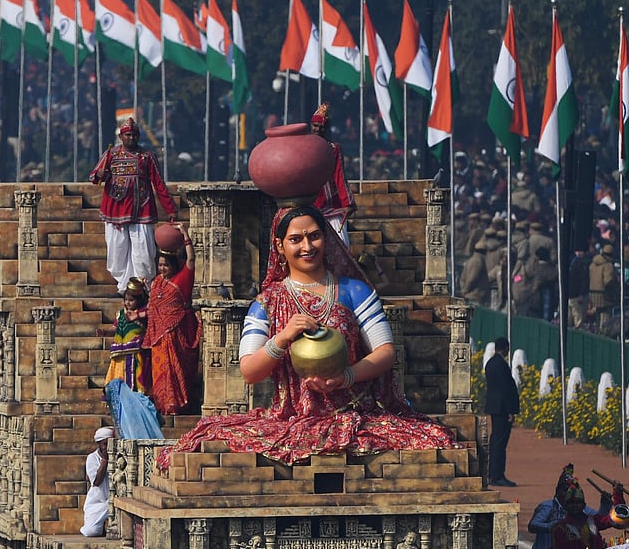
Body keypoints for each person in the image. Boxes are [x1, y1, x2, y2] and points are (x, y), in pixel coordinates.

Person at [158, 205, 454, 468]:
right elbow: (249, 371)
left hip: (353, 411)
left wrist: (347, 376)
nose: (307, 246)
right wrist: (282, 338)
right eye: (295, 239)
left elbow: (385, 352)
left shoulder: (354, 291)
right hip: (289, 415)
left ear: (326, 238)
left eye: (314, 236)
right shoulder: (268, 302)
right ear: (280, 246)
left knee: (431, 441)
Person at [89, 117, 179, 293]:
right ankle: (124, 288)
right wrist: (100, 173)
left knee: (144, 254)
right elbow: (94, 177)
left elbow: (159, 184)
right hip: (115, 212)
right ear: (121, 137)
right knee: (117, 254)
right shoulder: (110, 155)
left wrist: (170, 209)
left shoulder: (147, 157)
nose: (131, 138)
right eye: (128, 135)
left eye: (134, 135)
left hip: (141, 210)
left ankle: (144, 288)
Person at [143, 222, 199, 414]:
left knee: (172, 371)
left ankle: (174, 405)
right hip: (158, 336)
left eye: (165, 265)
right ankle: (161, 404)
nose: (162, 268)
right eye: (159, 265)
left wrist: (185, 234)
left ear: (173, 265)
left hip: (175, 335)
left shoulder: (182, 279)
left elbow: (191, 259)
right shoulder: (158, 282)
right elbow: (156, 305)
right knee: (159, 371)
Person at [310, 103, 356, 245]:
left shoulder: (333, 149)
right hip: (309, 204)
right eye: (315, 126)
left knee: (341, 244)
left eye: (321, 127)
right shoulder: (303, 148)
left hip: (332, 206)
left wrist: (348, 203)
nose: (318, 129)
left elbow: (339, 176)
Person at [100, 277, 149, 394]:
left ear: (139, 300)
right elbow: (115, 329)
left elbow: (152, 308)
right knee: (118, 375)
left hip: (137, 353)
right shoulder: (121, 314)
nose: (127, 302)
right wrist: (106, 332)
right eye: (126, 300)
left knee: (137, 379)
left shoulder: (142, 313)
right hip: (120, 354)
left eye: (131, 300)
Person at [484, 337, 519, 487]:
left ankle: (492, 473)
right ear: (504, 348)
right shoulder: (501, 365)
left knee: (495, 442)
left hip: (494, 407)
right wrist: (510, 410)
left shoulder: (490, 363)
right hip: (502, 409)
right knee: (499, 443)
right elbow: (505, 389)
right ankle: (498, 475)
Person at [81, 427, 113, 537]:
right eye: (105, 444)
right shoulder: (92, 458)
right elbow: (97, 482)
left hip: (115, 501)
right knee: (91, 532)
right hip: (97, 503)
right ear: (99, 444)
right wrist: (105, 461)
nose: (108, 448)